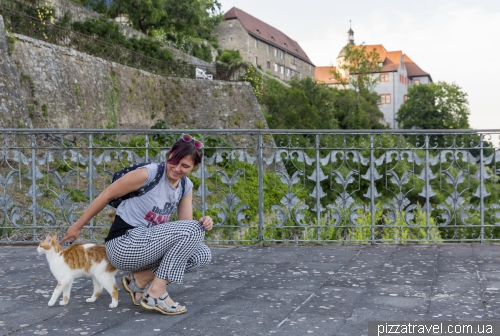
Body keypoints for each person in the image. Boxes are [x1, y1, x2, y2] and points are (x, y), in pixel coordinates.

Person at [61, 134, 213, 315]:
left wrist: (203, 222)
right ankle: (156, 292)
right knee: (194, 231)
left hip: (148, 246)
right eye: (174, 161)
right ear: (170, 154)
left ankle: (139, 281)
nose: (177, 168)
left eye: (185, 166)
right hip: (124, 245)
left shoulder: (185, 186)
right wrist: (78, 226)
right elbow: (106, 195)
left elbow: (186, 226)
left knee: (202, 254)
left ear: (194, 167)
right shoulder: (149, 173)